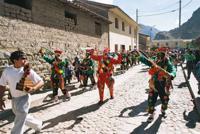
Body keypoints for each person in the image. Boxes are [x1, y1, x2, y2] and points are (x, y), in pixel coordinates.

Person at [0, 50, 44, 134]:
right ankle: (38, 125)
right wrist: (0, 98)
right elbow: (2, 85)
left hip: (24, 98)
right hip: (14, 99)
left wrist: (34, 88)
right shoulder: (7, 71)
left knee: (20, 117)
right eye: (22, 58)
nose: (25, 60)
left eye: (25, 58)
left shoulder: (27, 70)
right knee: (21, 115)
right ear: (15, 60)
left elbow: (41, 81)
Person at [138, 48, 176, 122]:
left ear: (164, 55)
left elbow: (173, 70)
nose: (159, 57)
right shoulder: (154, 61)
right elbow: (147, 61)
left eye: (162, 55)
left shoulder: (168, 63)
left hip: (164, 85)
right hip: (154, 84)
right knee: (151, 100)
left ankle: (163, 110)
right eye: (158, 55)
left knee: (165, 100)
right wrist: (139, 57)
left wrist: (171, 74)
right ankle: (151, 114)